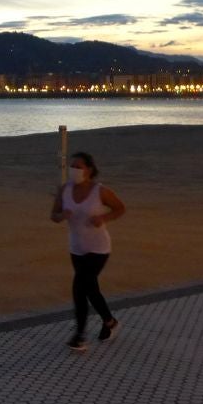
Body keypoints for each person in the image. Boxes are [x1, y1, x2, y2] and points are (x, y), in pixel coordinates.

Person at [49, 151, 126, 352]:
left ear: (89, 170)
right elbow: (53, 215)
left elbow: (120, 208)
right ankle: (109, 321)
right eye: (72, 166)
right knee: (90, 288)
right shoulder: (64, 190)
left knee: (79, 287)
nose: (74, 170)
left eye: (78, 166)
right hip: (76, 248)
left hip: (99, 248)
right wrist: (61, 216)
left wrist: (103, 219)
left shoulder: (100, 191)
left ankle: (80, 336)